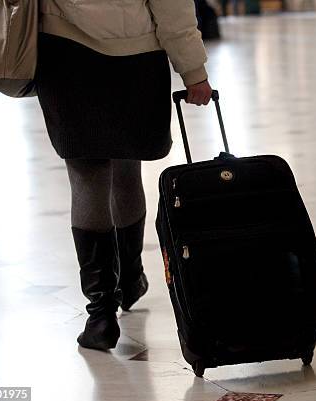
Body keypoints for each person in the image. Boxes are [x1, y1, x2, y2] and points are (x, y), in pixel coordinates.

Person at [35, 0, 213, 351]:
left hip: (64, 53)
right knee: (127, 166)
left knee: (87, 176)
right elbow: (172, 7)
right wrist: (194, 71)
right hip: (135, 57)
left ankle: (101, 315)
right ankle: (130, 279)